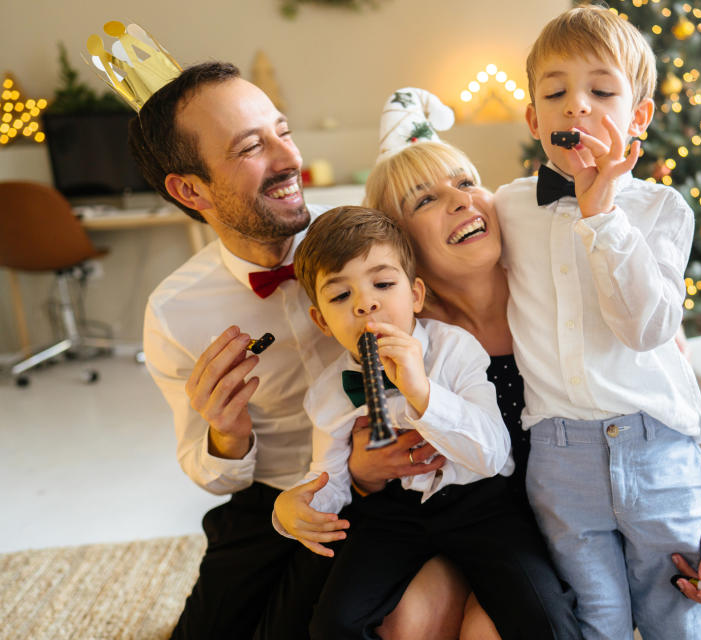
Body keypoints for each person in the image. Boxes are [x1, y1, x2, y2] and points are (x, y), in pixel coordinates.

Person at [131, 62, 476, 640]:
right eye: (250, 147)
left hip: (385, 495)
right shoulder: (174, 313)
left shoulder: (374, 244)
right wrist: (226, 435)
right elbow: (207, 471)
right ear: (190, 189)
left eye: (282, 131)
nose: (289, 158)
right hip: (268, 501)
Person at [364, 123, 701, 640]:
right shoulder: (415, 343)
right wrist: (363, 469)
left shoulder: (563, 299)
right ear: (400, 244)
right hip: (465, 520)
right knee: (407, 623)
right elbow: (365, 448)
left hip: (566, 511)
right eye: (426, 198)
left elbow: (649, 412)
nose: (459, 200)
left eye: (467, 182)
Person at [497, 5, 701, 638]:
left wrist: (602, 215)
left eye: (601, 90)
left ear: (637, 116)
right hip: (560, 458)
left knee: (678, 615)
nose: (577, 107)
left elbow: (647, 330)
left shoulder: (662, 210)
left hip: (656, 451)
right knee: (595, 623)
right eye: (556, 92)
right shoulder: (508, 206)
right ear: (534, 118)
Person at [273, 206, 579, 639]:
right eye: (341, 297)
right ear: (321, 320)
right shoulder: (328, 394)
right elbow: (330, 476)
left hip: (482, 505)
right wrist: (294, 510)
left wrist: (423, 394)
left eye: (382, 283)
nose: (365, 303)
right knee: (332, 625)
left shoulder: (456, 350)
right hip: (391, 515)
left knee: (545, 618)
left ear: (415, 294)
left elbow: (492, 453)